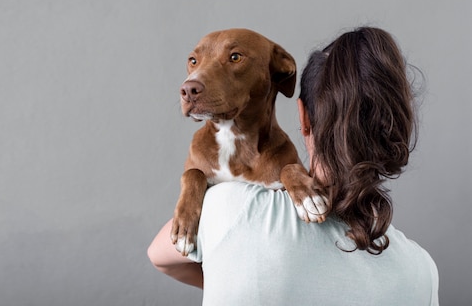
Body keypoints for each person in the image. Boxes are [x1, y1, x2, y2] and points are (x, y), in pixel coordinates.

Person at [147, 27, 439, 305]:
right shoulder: (424, 271)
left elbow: (160, 255)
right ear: (398, 125)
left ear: (303, 118)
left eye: (235, 57)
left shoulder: (229, 209)